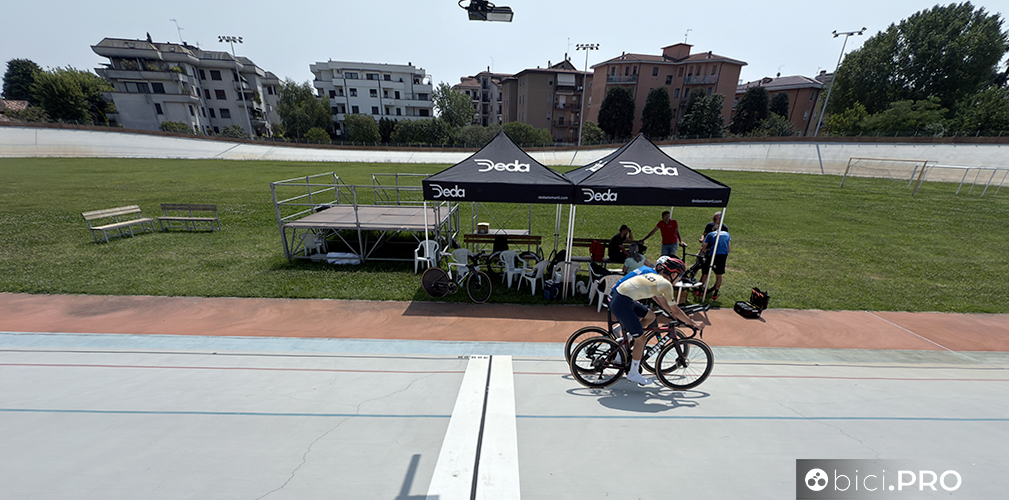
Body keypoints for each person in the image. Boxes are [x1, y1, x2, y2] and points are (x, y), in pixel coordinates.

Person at [609, 257, 701, 385]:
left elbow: (664, 304)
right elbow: (676, 310)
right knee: (641, 340)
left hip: (622, 299)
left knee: (651, 316)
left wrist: (672, 314)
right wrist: (692, 323)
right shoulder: (666, 285)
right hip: (622, 303)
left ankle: (627, 339)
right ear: (673, 274)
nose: (679, 279)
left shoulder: (657, 280)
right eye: (680, 276)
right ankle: (633, 373)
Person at [698, 226, 730, 301]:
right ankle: (715, 294)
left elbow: (704, 247)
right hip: (723, 255)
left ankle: (699, 291)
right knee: (719, 275)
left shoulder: (710, 234)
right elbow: (729, 249)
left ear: (713, 229)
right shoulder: (727, 234)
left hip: (713, 254)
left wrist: (702, 250)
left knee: (705, 273)